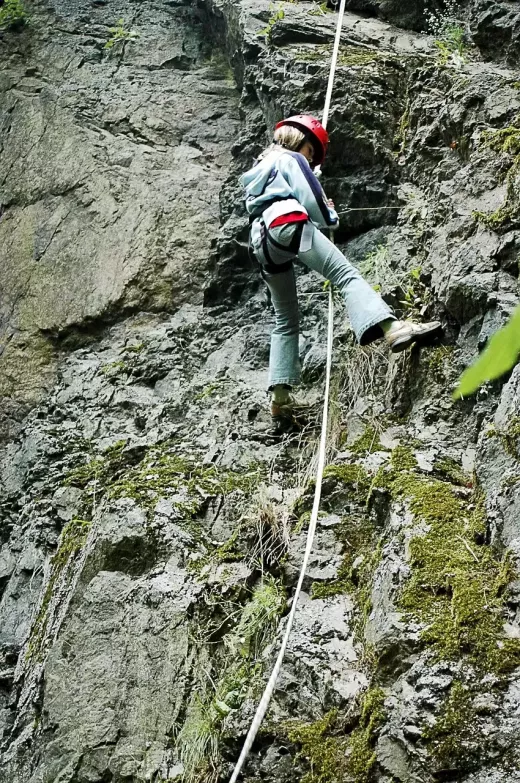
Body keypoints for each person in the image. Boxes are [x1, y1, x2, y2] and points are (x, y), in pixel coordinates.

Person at [240, 114, 441, 434]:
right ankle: (393, 329)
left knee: (285, 319)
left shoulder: (260, 165)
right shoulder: (291, 158)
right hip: (287, 224)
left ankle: (280, 402)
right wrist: (328, 215)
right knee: (346, 276)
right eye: (311, 150)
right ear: (299, 140)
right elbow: (310, 197)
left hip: (262, 242)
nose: (310, 157)